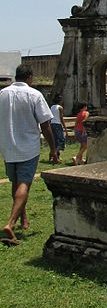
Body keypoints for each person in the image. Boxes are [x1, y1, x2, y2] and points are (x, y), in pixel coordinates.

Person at [0, 64, 57, 244]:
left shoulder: (3, 94)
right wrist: (53, 148)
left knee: (15, 184)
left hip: (8, 146)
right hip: (28, 147)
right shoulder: (34, 94)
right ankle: (10, 223)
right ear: (30, 77)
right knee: (24, 184)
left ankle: (24, 219)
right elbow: (45, 124)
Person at [50, 93, 68, 162]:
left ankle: (56, 156)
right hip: (57, 124)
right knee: (61, 140)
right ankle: (54, 155)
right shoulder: (60, 108)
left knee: (55, 141)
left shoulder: (51, 107)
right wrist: (65, 128)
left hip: (52, 124)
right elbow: (61, 118)